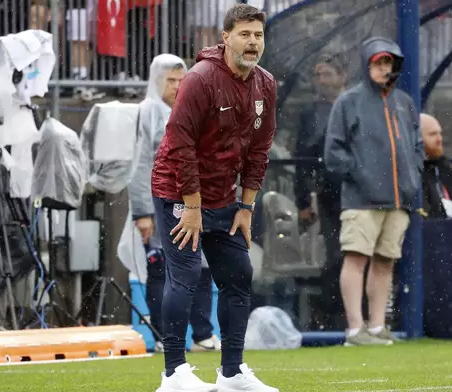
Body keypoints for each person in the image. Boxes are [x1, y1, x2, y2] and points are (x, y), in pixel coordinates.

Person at [151, 4, 278, 392]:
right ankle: (173, 373)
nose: (252, 42)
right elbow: (179, 145)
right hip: (178, 190)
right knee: (186, 276)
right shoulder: (201, 78)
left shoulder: (266, 84)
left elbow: (260, 148)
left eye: (258, 35)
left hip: (226, 198)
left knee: (239, 276)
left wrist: (247, 205)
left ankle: (232, 373)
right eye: (245, 34)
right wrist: (191, 207)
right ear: (226, 38)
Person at [324, 37, 423, 346]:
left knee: (385, 261)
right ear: (368, 65)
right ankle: (355, 330)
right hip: (361, 200)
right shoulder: (348, 101)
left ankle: (377, 327)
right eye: (379, 62)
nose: (384, 68)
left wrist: (412, 178)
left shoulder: (404, 102)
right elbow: (333, 153)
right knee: (356, 259)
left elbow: (417, 146)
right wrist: (363, 177)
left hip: (397, 200)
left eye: (389, 63)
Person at [128, 54, 221, 354]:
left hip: (196, 202)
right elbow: (140, 164)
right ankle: (163, 335)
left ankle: (203, 334)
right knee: (161, 269)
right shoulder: (148, 112)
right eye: (170, 80)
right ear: (156, 82)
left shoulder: (195, 109)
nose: (176, 86)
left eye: (181, 80)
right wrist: (143, 211)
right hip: (160, 203)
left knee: (201, 267)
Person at [293, 54, 347, 330]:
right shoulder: (311, 113)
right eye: (318, 75)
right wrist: (303, 201)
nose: (321, 81)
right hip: (331, 196)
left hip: (361, 194)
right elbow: (301, 158)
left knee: (361, 255)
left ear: (342, 77)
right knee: (337, 255)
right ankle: (332, 317)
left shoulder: (356, 106)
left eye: (327, 74)